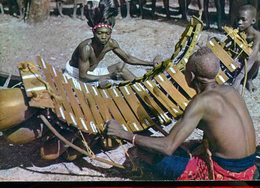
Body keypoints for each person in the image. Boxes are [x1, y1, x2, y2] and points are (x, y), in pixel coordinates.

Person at [104, 47, 256, 180]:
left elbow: (167, 146)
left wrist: (125, 134)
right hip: (249, 167)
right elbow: (219, 125)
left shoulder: (201, 102)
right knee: (183, 146)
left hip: (227, 173)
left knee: (149, 154)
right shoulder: (230, 90)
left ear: (191, 76)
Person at [64, 0, 160, 86]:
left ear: (111, 33)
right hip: (76, 76)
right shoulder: (86, 48)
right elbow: (83, 76)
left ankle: (143, 88)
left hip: (91, 73)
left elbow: (127, 58)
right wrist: (109, 76)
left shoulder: (111, 43)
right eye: (100, 33)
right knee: (105, 83)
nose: (104, 37)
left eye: (107, 34)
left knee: (119, 67)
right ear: (93, 33)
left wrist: (151, 64)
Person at [232, 5, 260, 92]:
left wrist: (239, 78)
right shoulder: (238, 29)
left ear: (253, 21)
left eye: (243, 20)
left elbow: (252, 57)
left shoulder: (256, 35)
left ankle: (248, 79)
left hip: (250, 67)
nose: (239, 22)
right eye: (238, 19)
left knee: (258, 56)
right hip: (236, 61)